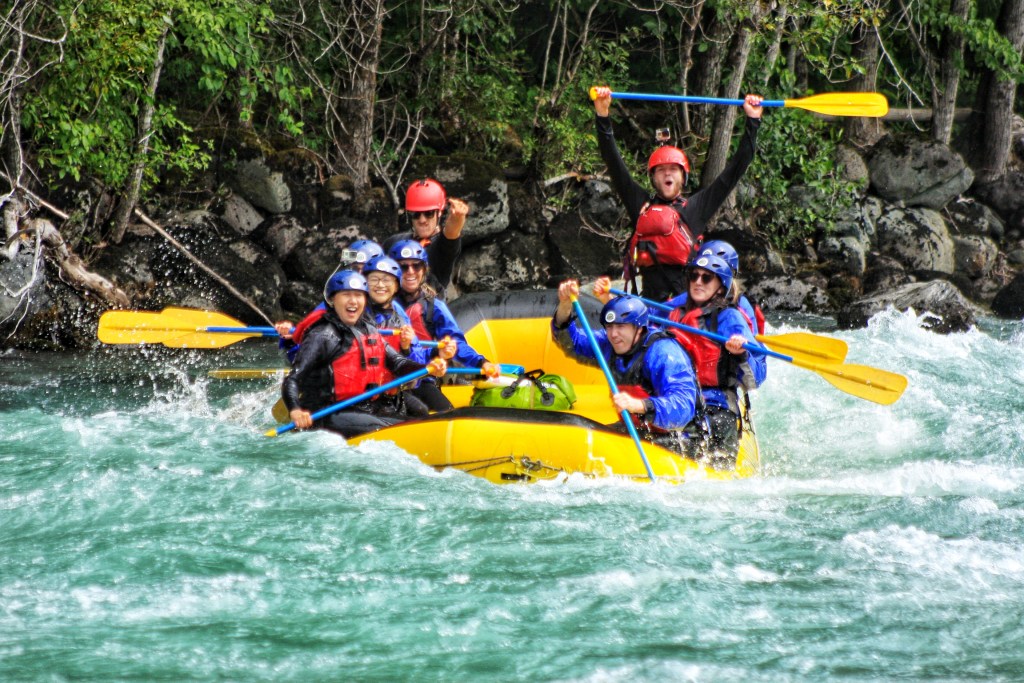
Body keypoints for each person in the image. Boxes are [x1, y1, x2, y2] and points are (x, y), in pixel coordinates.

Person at [591, 86, 764, 303]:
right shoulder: (641, 205)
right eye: (661, 170)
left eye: (673, 169)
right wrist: (603, 114)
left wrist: (753, 120)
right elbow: (613, 161)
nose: (667, 174)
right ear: (653, 178)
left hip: (685, 307)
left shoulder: (696, 208)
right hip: (651, 304)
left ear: (683, 177)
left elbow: (736, 168)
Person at [281, 270, 448, 438]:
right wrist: (295, 410)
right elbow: (293, 379)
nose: (353, 301)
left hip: (365, 407)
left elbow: (398, 362)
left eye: (359, 295)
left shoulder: (368, 329)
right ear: (332, 299)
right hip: (329, 413)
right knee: (388, 429)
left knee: (418, 417)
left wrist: (427, 368)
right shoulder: (323, 335)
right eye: (346, 295)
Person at [551, 281, 698, 454]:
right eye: (610, 327)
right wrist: (565, 307)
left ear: (639, 329)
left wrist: (639, 405)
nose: (613, 334)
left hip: (681, 437)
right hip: (638, 430)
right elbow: (572, 343)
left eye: (621, 327)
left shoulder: (664, 353)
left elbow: (683, 407)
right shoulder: (608, 344)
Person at [663, 253, 766, 461]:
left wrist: (741, 354)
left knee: (712, 426)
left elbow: (757, 378)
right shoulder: (675, 313)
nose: (698, 282)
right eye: (694, 276)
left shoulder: (730, 318)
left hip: (716, 406)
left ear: (720, 286)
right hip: (677, 398)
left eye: (707, 277)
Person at [389, 239, 501, 411]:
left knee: (447, 414)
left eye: (416, 266)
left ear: (424, 269)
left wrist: (481, 363)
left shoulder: (433, 306)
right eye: (403, 267)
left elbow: (456, 344)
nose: (410, 272)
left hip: (421, 379)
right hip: (387, 380)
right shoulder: (381, 304)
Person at [364, 254, 457, 415]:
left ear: (395, 285)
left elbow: (414, 356)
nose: (380, 285)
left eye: (386, 280)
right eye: (374, 279)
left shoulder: (398, 316)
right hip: (362, 393)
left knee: (424, 411)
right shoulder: (355, 311)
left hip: (391, 389)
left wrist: (434, 354)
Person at [274, 239, 386, 361]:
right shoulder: (329, 308)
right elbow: (299, 358)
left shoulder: (393, 310)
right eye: (354, 268)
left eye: (365, 271)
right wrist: (291, 339)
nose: (358, 276)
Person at [383, 178, 469, 298]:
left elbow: (451, 233)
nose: (422, 220)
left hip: (428, 312)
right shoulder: (394, 242)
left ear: (439, 213)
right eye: (416, 214)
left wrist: (458, 217)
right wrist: (347, 257)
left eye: (428, 213)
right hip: (395, 310)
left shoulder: (441, 247)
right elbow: (366, 257)